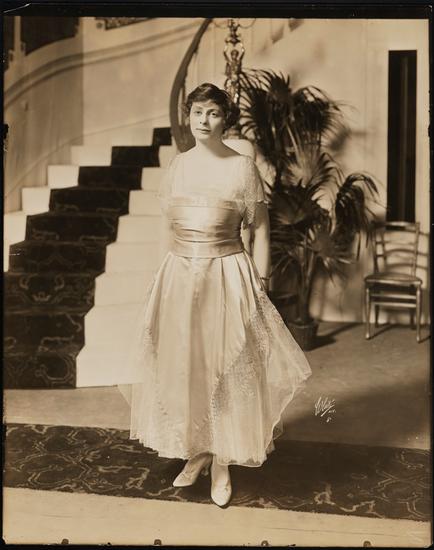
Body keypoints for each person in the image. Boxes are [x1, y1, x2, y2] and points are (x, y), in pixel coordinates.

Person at [126, 83, 312, 508]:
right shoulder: (179, 165)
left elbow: (260, 229)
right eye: (197, 112)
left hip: (227, 273)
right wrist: (159, 277)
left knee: (226, 368)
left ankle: (223, 460)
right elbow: (167, 229)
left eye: (212, 113)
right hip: (179, 276)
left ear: (225, 119)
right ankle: (197, 450)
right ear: (188, 116)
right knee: (186, 367)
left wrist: (260, 282)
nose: (203, 121)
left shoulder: (241, 167)